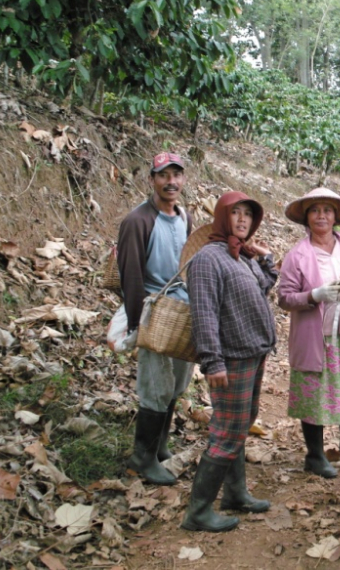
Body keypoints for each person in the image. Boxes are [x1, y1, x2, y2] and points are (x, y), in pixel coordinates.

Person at [181, 191, 277, 533]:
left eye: (248, 215)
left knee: (241, 423)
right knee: (227, 430)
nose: (242, 220)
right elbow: (203, 312)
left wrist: (266, 259)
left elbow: (262, 286)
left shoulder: (240, 256)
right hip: (230, 359)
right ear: (222, 216)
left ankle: (235, 493)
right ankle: (198, 511)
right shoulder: (209, 258)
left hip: (252, 353)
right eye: (235, 213)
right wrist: (212, 361)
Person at [278, 187, 340, 478]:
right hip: (316, 335)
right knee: (315, 390)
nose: (321, 216)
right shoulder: (298, 255)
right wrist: (314, 294)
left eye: (327, 210)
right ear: (307, 218)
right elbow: (284, 297)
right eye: (315, 210)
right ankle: (315, 455)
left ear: (335, 217)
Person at [118, 152, 195, 486]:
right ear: (152, 179)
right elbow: (131, 275)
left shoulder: (184, 217)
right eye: (164, 176)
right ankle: (143, 456)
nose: (171, 182)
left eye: (176, 175)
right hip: (154, 309)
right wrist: (138, 324)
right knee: (154, 384)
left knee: (177, 381)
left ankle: (161, 445)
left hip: (182, 309)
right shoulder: (137, 221)